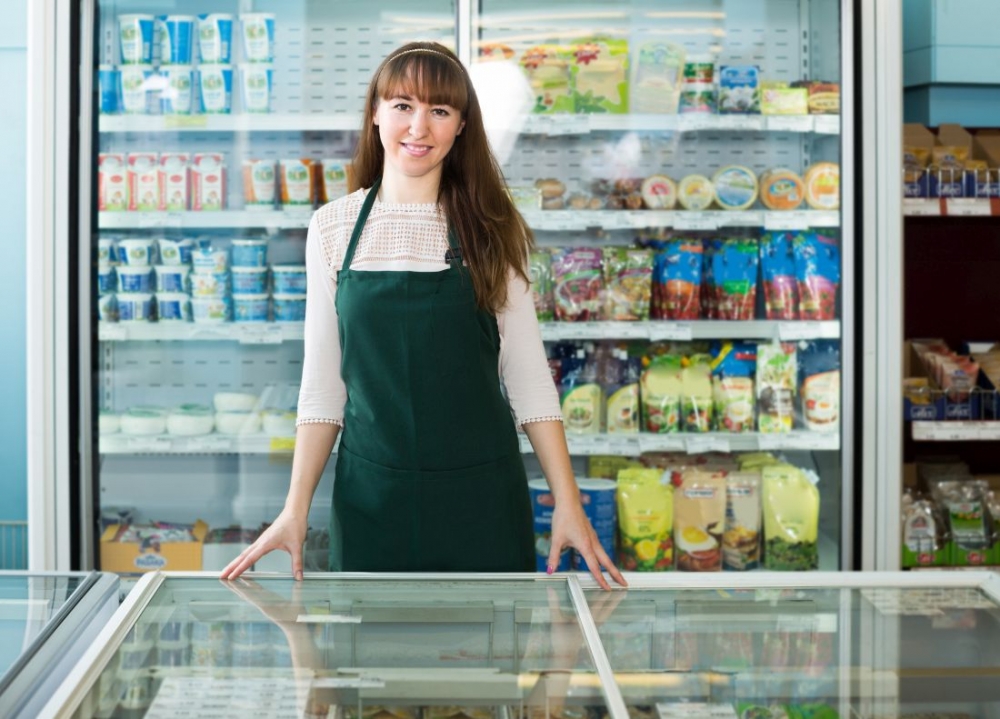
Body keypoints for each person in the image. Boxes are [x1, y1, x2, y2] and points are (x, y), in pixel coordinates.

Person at [221, 41, 626, 590]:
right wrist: (295, 510)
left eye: (439, 111)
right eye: (403, 106)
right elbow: (322, 387)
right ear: (376, 112)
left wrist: (568, 505)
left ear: (461, 126)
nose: (419, 126)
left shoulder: (492, 228)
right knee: (369, 664)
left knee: (487, 668)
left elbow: (529, 380)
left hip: (481, 500)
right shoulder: (334, 228)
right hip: (372, 499)